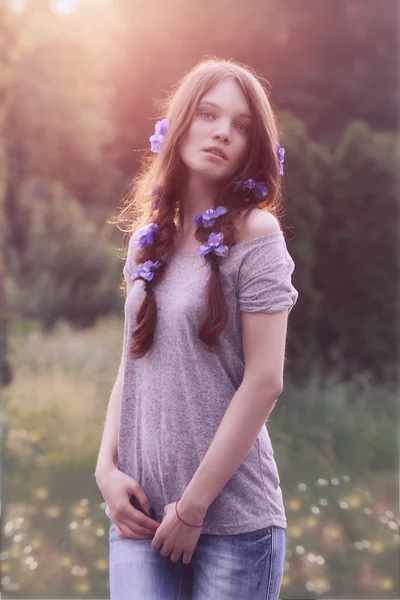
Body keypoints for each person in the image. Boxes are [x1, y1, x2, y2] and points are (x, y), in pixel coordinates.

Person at [95, 57, 299, 599]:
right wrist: (105, 471)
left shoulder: (257, 233)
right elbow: (131, 364)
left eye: (240, 125)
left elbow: (265, 380)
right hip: (139, 514)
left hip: (232, 522)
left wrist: (193, 509)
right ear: (180, 122)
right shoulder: (145, 242)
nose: (222, 132)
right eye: (208, 114)